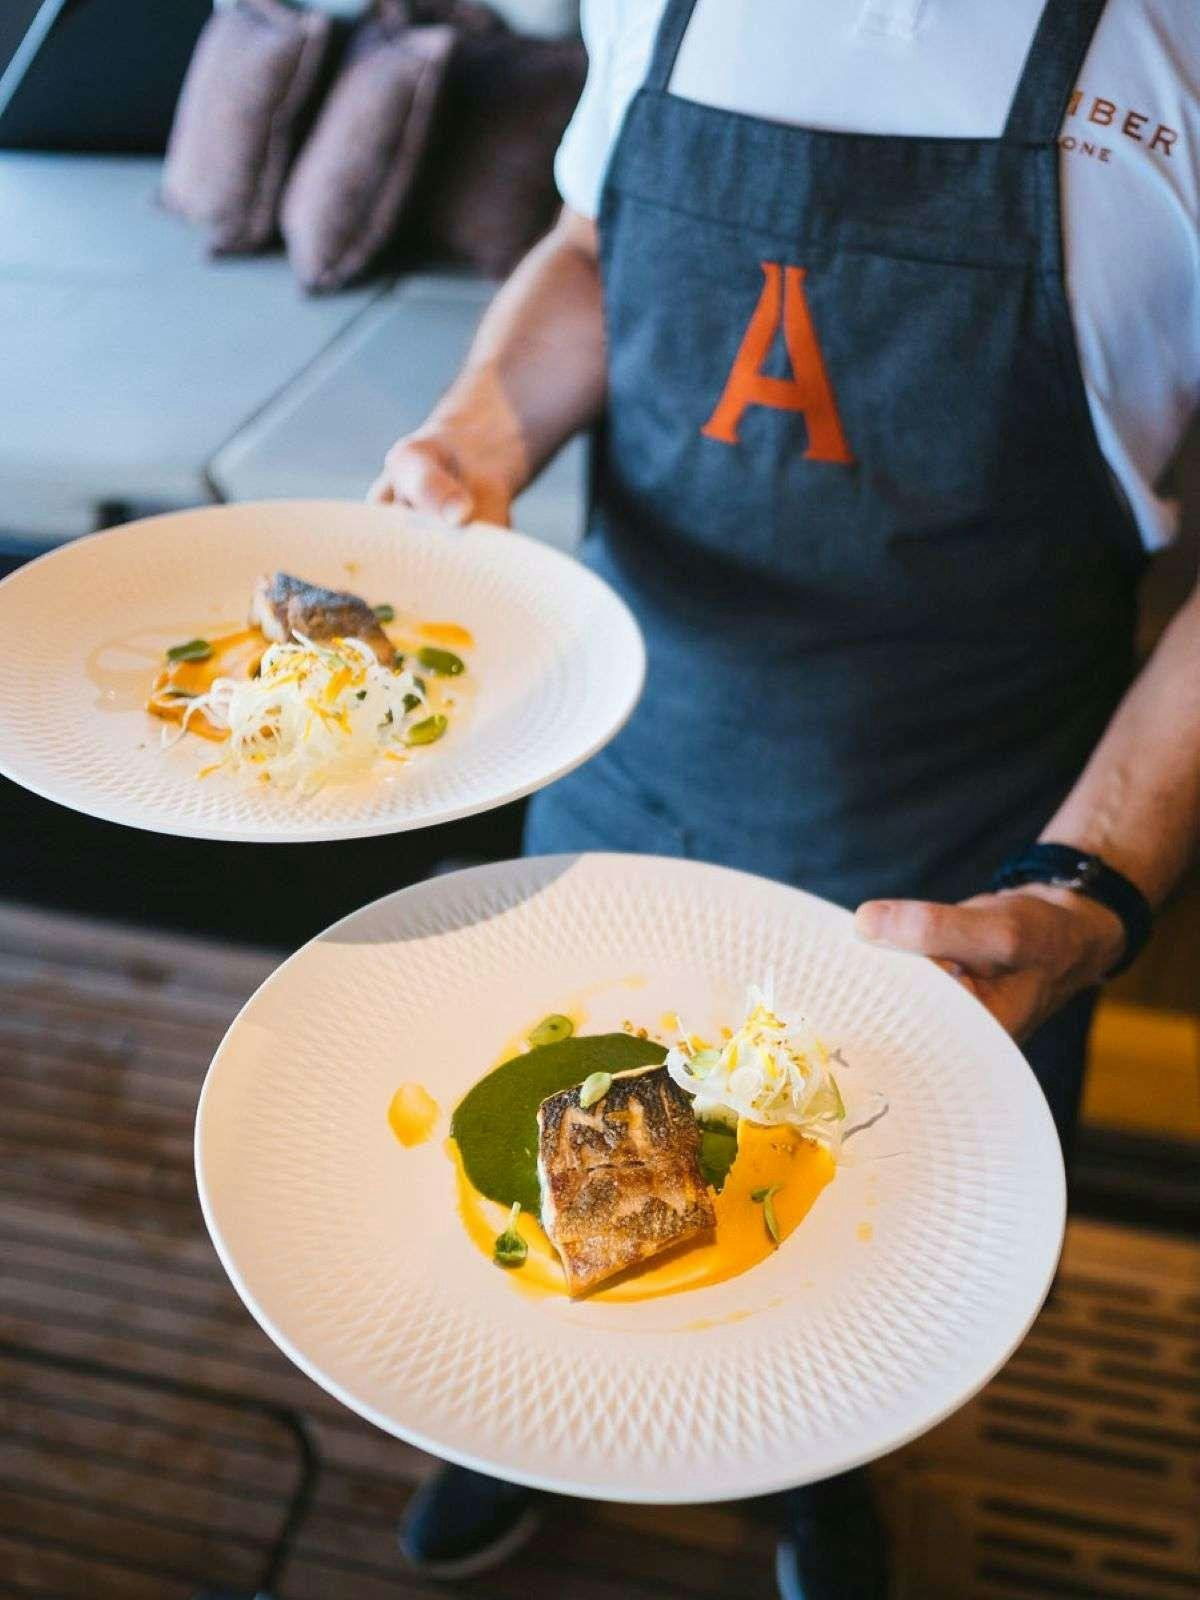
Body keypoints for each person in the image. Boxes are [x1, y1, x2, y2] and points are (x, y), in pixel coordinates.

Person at [370, 0, 1200, 1592]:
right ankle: (510, 1418)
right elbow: (591, 247)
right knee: (559, 1177)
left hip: (972, 852)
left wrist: (1087, 894)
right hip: (628, 785)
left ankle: (835, 1474)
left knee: (855, 1288)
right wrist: (484, 425)